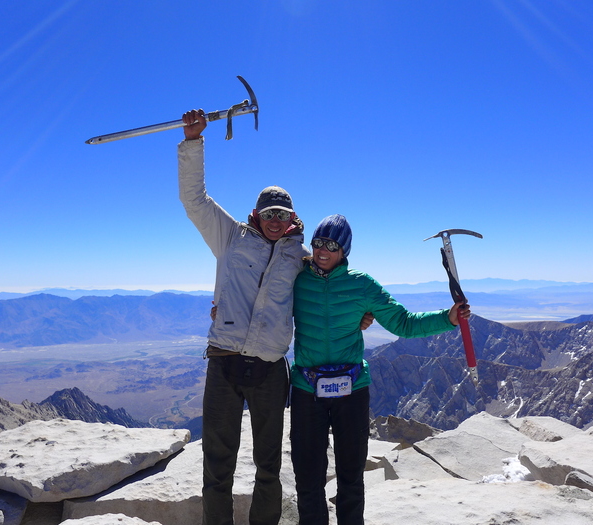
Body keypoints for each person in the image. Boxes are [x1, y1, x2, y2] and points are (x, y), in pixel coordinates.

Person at [178, 111, 373, 525]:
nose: (275, 221)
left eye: (282, 215)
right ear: (255, 214)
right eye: (269, 214)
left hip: (270, 371)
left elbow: (328, 286)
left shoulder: (299, 258)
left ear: (292, 219)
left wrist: (360, 312)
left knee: (269, 467)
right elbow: (195, 200)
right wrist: (193, 142)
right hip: (225, 361)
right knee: (217, 465)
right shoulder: (229, 237)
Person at [290, 214, 471, 525]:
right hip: (308, 390)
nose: (322, 250)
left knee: (351, 476)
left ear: (343, 250)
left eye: (331, 245)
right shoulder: (297, 279)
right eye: (318, 242)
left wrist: (448, 318)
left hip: (352, 390)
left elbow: (403, 322)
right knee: (308, 478)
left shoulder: (363, 285)